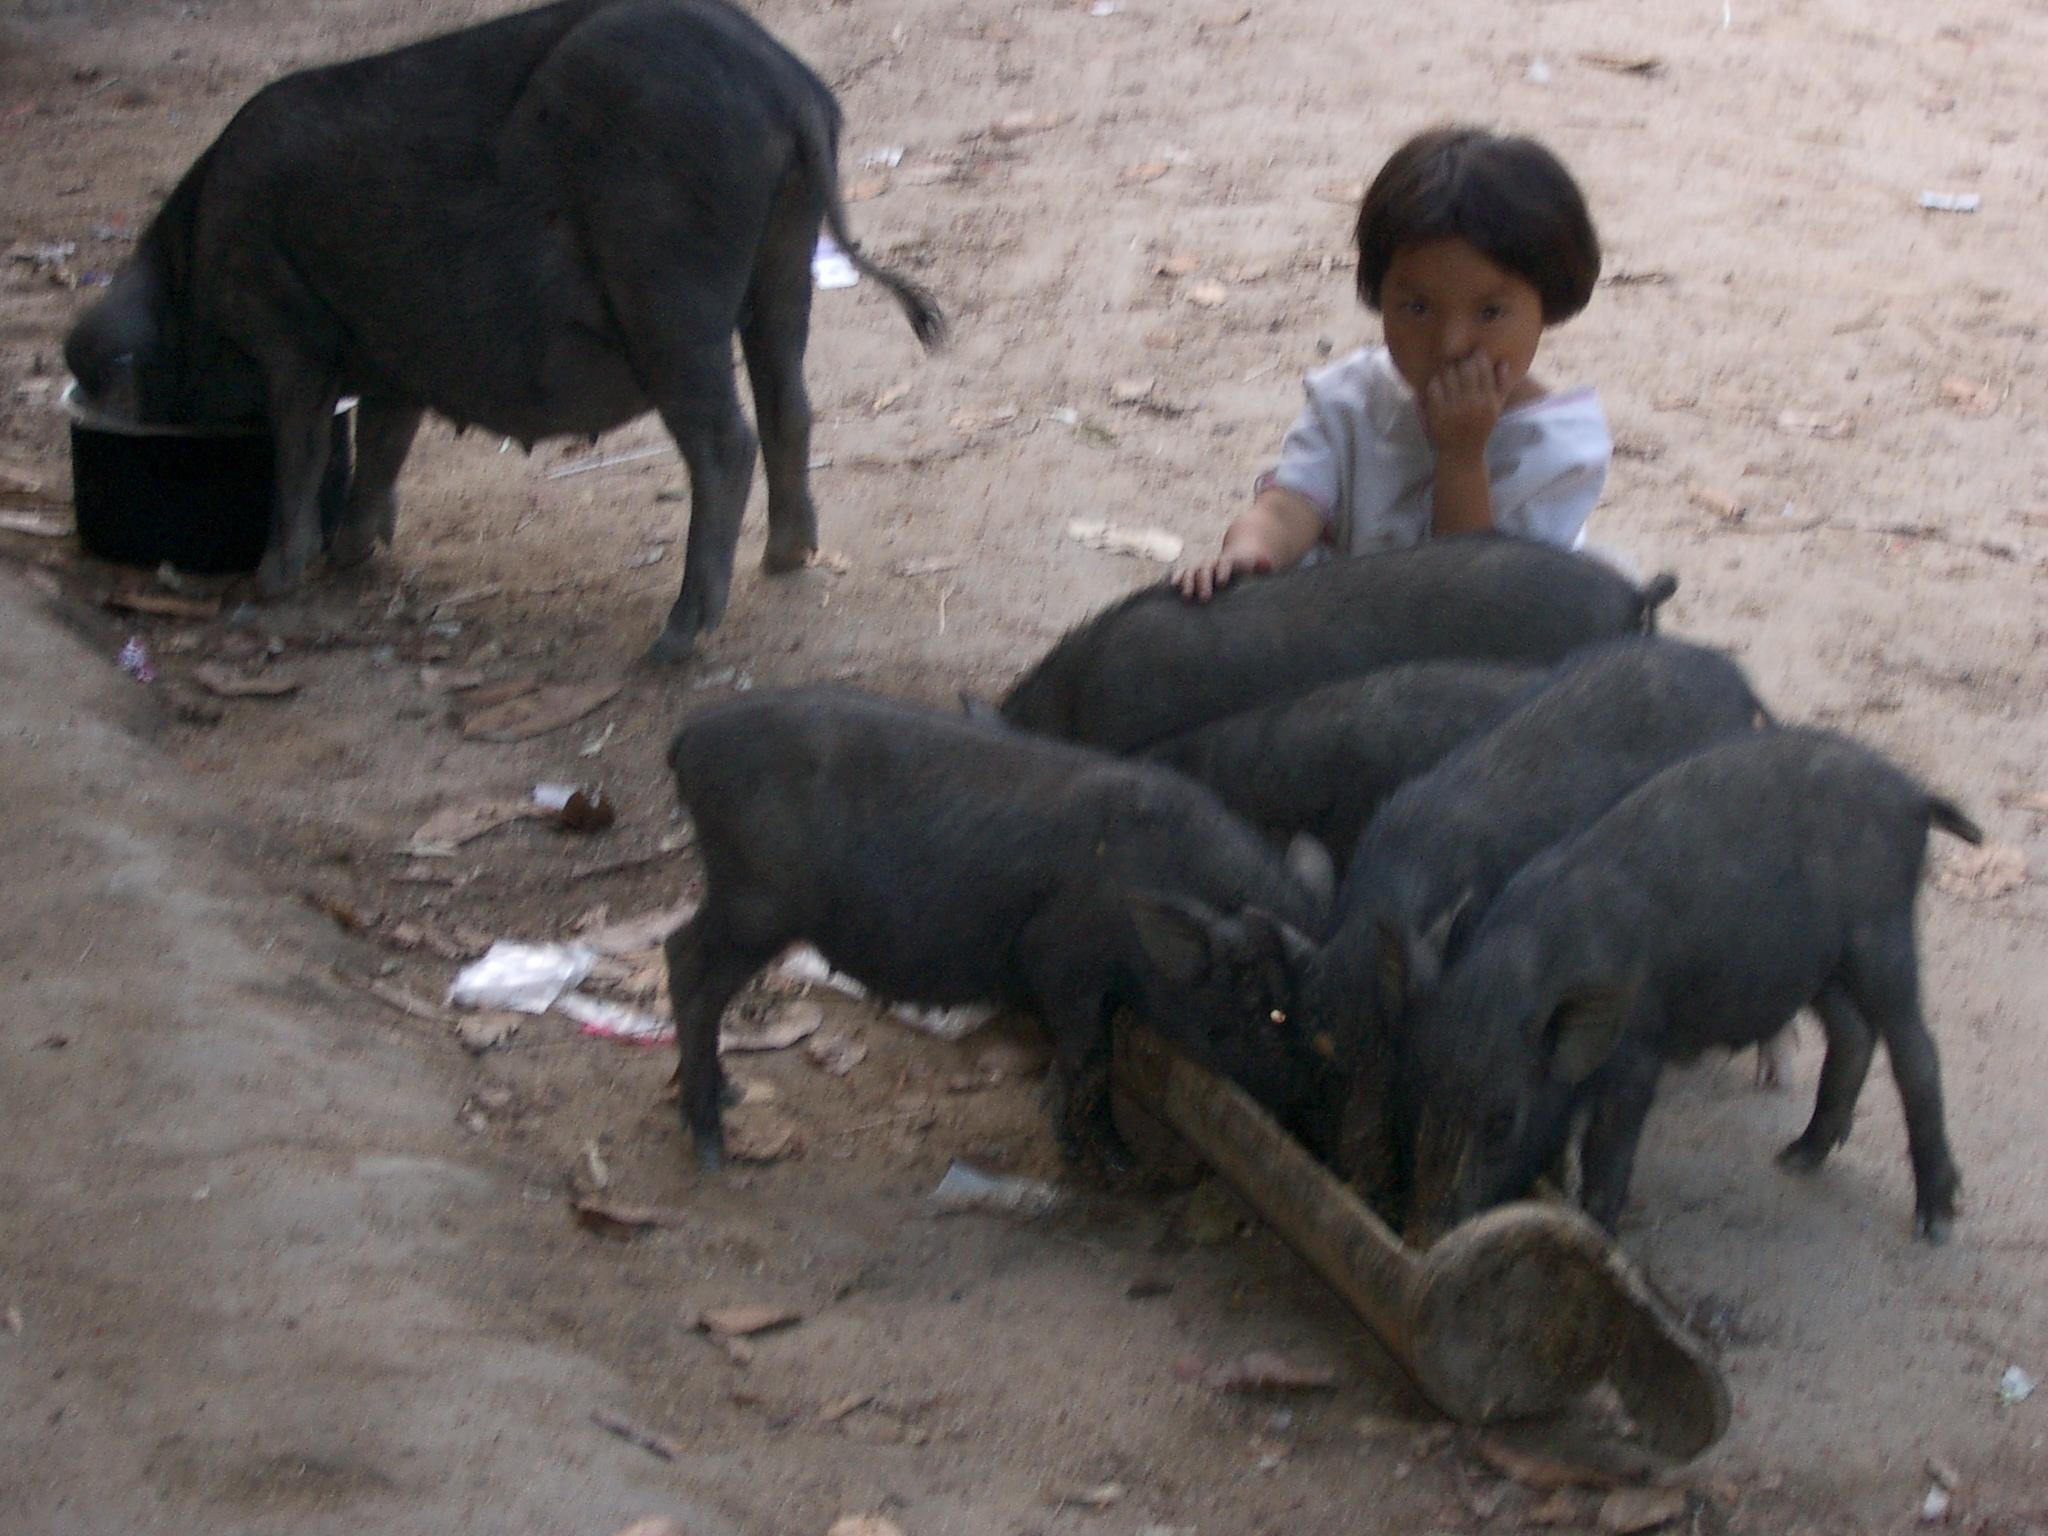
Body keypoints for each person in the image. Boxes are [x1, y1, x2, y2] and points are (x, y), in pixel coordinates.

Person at [1177, 126, 1610, 601]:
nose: (1451, 343)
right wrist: (1249, 554)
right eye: (1418, 307)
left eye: (1490, 312)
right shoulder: (1349, 400)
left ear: (1549, 304)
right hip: (1336, 622)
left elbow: (1472, 595)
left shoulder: (1559, 453)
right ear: (1379, 294)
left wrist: (1462, 458)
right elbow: (1288, 507)